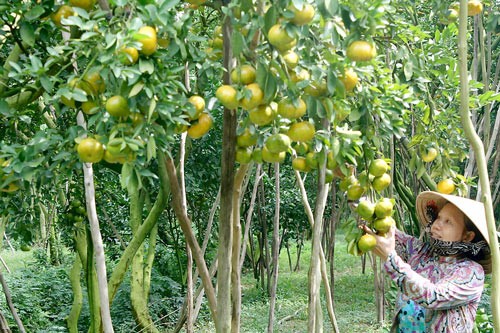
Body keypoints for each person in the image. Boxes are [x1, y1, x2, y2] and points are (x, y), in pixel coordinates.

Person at [363, 191, 492, 333]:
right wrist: (352, 187)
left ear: (467, 236)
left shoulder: (472, 272)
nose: (436, 225)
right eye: (438, 218)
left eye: (448, 222)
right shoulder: (420, 251)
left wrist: (390, 259)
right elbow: (383, 227)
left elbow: (432, 296)